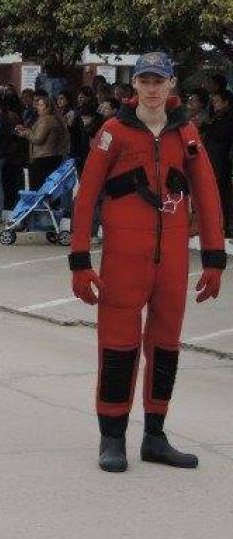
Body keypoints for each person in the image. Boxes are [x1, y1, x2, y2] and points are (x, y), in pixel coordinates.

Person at [68, 52, 227, 472]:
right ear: (134, 85)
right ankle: (112, 438)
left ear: (171, 84)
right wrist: (79, 261)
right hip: (123, 263)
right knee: (118, 350)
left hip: (172, 264)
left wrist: (214, 258)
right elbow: (86, 198)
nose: (153, 89)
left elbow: (208, 195)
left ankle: (155, 437)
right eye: (146, 81)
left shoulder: (187, 134)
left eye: (160, 81)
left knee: (165, 348)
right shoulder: (113, 131)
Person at [202, 89, 233, 237]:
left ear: (226, 102)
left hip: (223, 162)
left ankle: (225, 226)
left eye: (217, 101)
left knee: (223, 195)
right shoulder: (215, 118)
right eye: (212, 102)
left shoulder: (228, 120)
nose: (214, 105)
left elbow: (222, 135)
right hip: (212, 161)